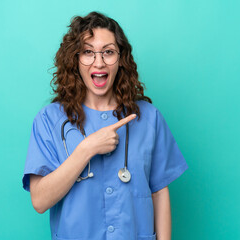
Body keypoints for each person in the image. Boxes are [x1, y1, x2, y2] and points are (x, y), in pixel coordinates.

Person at [22, 11, 188, 240]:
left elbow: (159, 193)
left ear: (120, 59)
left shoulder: (149, 118)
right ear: (75, 59)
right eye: (88, 52)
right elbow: (40, 201)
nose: (98, 62)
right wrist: (86, 149)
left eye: (108, 52)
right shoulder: (49, 119)